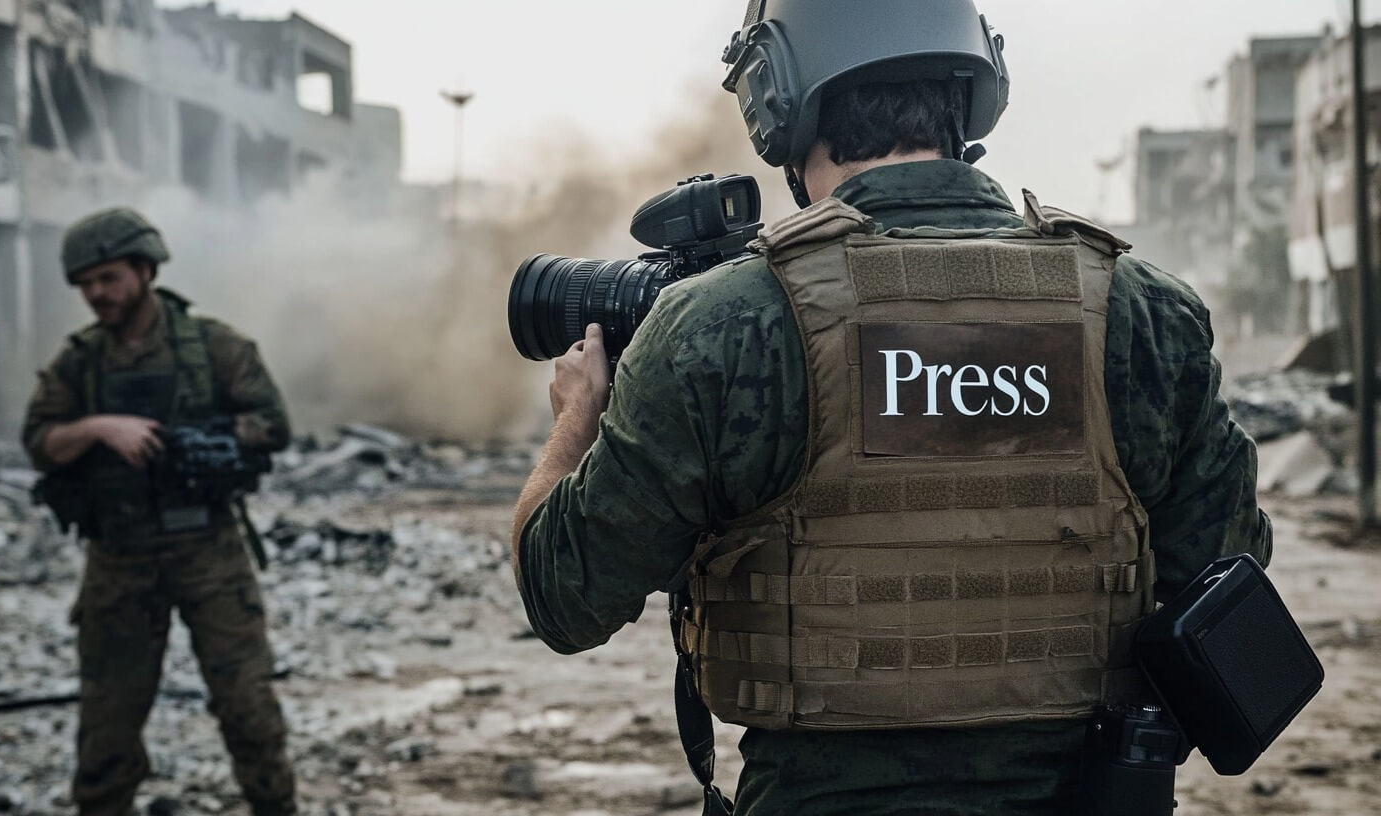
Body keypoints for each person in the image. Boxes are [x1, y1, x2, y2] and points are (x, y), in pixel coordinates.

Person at [512, 1, 1273, 813]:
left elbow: (566, 596)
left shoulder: (723, 325)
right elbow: (1227, 572)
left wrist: (576, 421)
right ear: (973, 86)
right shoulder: (1143, 313)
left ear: (777, 96)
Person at [22, 207, 297, 816]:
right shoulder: (79, 362)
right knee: (107, 726)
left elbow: (273, 426)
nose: (96, 294)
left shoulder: (215, 346)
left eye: (109, 278)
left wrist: (203, 437)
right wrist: (98, 428)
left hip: (208, 552)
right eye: (86, 284)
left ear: (145, 270)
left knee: (248, 709)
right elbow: (39, 441)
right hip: (119, 558)